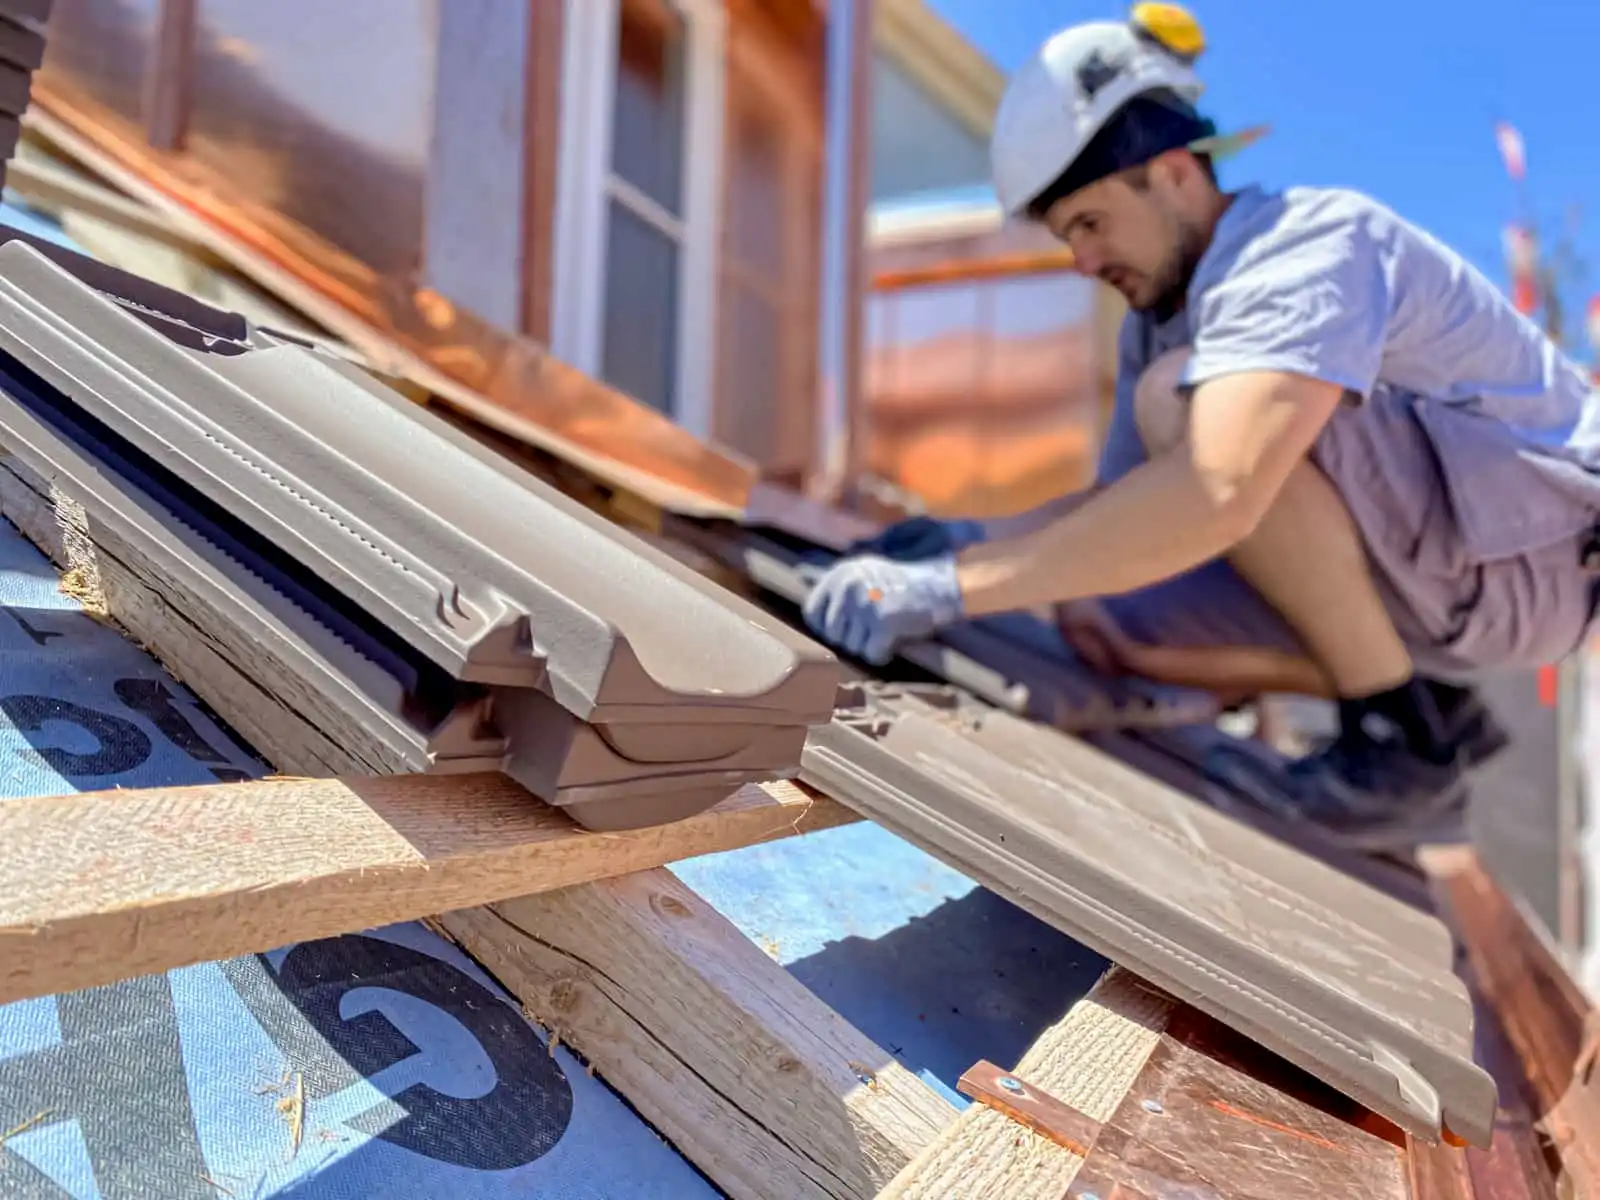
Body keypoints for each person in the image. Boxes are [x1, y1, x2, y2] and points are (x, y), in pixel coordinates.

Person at [800, 12, 1600, 850]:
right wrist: (955, 542)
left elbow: (1214, 491)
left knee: (1183, 414)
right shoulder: (1162, 312)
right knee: (1096, 613)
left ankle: (1405, 745)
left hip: (1531, 555)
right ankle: (1426, 700)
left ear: (1174, 174)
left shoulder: (1304, 246)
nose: (1081, 261)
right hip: (1433, 576)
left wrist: (951, 589)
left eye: (1090, 223)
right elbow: (1119, 507)